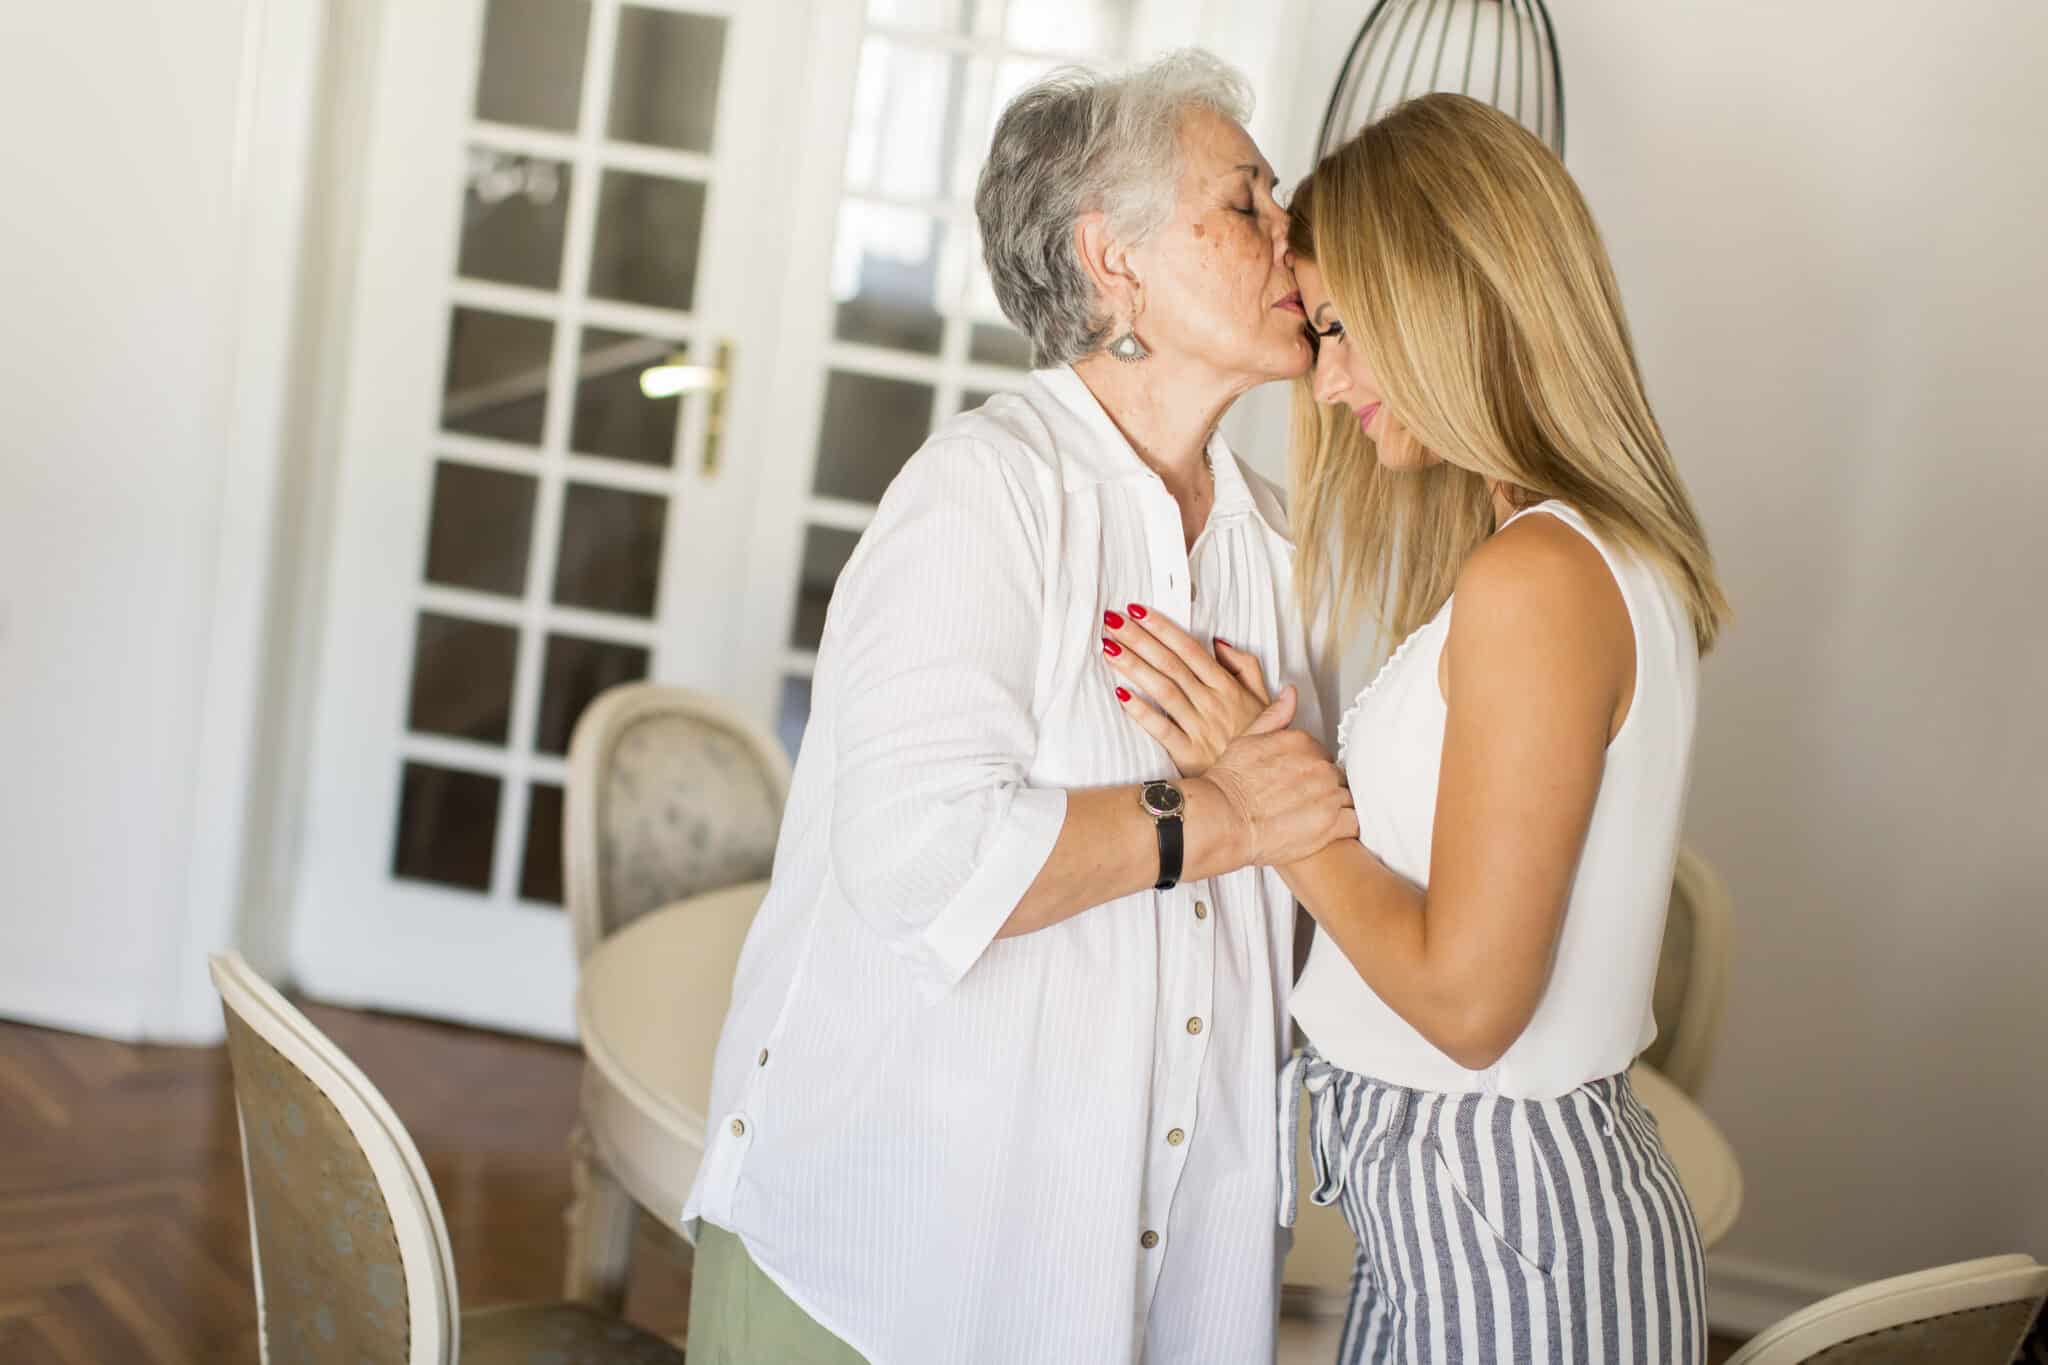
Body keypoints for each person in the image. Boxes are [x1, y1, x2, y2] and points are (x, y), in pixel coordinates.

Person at [681, 51, 1356, 1364]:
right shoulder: (982, 497)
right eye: (1246, 203)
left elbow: (1305, 886)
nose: (1293, 236)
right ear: (1117, 261)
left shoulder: (1276, 553)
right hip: (883, 1275)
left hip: (1151, 1291)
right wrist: (1220, 814)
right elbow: (918, 855)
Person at [1104, 93, 1730, 1363]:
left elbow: (1467, 1002)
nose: (1327, 384)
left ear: (1447, 294)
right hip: (1468, 1216)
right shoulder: (1573, 559)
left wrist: (1272, 796)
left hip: (1508, 1224)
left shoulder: (1538, 580)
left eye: (1339, 328)